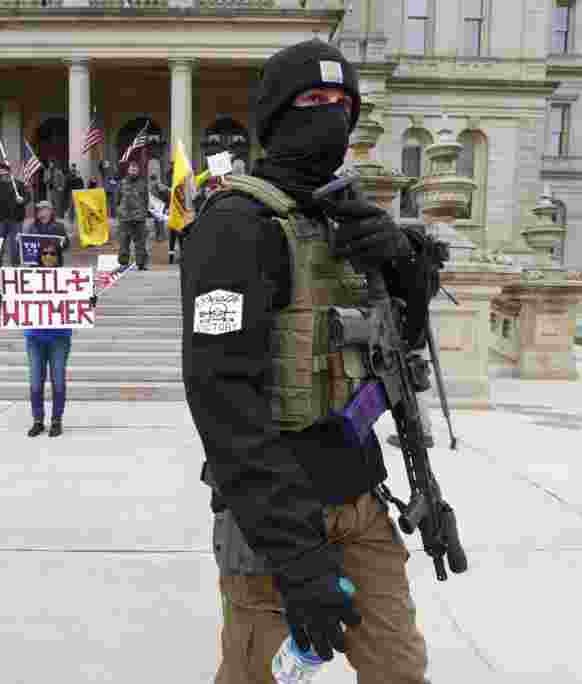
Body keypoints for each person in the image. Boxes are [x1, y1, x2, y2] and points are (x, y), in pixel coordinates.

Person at [180, 39, 430, 683]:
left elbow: (401, 355)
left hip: (362, 499)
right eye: (313, 100)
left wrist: (403, 267)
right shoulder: (235, 226)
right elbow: (221, 401)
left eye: (343, 102)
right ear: (275, 116)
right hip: (274, 522)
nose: (331, 115)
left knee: (400, 672)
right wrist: (297, 557)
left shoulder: (346, 219)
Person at [1, 239, 96, 439]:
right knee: (36, 381)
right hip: (35, 337)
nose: (48, 257)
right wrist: (5, 299)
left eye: (52, 253)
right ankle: (37, 420)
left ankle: (56, 420)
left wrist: (89, 300)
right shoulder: (28, 277)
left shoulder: (68, 278)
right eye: (44, 253)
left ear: (58, 257)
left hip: (59, 337)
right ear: (39, 257)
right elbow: (15, 299)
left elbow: (79, 300)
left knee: (58, 380)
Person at [0, 161, 30, 268]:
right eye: (1, 173)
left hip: (16, 219)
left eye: (6, 173)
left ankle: (15, 265)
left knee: (15, 245)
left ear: (10, 173)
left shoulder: (18, 185)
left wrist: (22, 200)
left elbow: (27, 197)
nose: (4, 175)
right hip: (1, 219)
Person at [116, 160, 150, 270]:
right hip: (125, 218)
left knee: (140, 242)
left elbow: (146, 199)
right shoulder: (122, 183)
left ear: (138, 171)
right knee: (124, 241)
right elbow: (117, 199)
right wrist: (119, 211)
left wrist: (144, 213)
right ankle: (123, 263)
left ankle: (141, 263)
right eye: (131, 169)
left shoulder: (143, 183)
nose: (133, 171)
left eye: (135, 169)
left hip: (139, 218)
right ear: (128, 170)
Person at [25, 200, 70, 266]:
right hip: (36, 263)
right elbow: (27, 245)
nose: (39, 211)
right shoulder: (32, 226)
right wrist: (20, 241)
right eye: (38, 210)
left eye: (42, 209)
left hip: (53, 263)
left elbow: (66, 245)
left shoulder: (59, 226)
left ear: (49, 212)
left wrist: (62, 243)